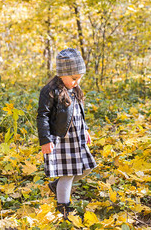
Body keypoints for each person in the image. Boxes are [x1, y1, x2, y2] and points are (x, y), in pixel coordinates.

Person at [37, 48, 97, 219]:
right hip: (61, 139)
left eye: (79, 78)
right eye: (74, 78)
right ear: (62, 73)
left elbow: (79, 111)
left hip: (76, 138)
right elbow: (42, 116)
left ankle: (56, 186)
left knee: (86, 168)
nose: (77, 82)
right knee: (68, 174)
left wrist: (84, 129)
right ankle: (63, 207)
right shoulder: (50, 91)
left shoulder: (74, 89)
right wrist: (45, 140)